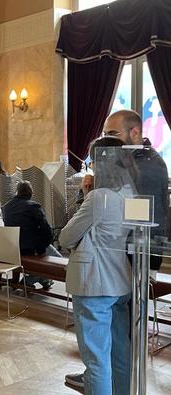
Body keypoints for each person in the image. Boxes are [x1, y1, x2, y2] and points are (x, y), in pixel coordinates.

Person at [61, 137, 133, 394]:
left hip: (94, 282)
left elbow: (66, 237)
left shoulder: (98, 198)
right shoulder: (130, 192)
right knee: (120, 352)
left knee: (96, 359)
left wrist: (84, 195)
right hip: (121, 279)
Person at [104, 109, 168, 278]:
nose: (107, 140)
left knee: (137, 302)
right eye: (104, 134)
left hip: (140, 247)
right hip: (125, 245)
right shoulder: (129, 158)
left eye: (112, 133)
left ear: (135, 132)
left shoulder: (148, 162)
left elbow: (140, 212)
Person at [2, 181, 55, 289]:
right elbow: (46, 229)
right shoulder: (34, 206)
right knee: (57, 258)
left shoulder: (6, 207)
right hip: (30, 248)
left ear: (17, 192)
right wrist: (44, 245)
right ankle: (28, 281)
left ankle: (45, 280)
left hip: (13, 249)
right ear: (31, 193)